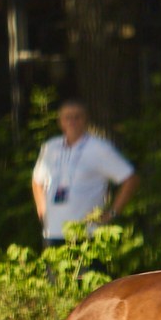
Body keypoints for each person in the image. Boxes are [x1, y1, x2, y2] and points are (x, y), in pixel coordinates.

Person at [30, 99, 136, 248]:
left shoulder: (99, 148)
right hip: (53, 232)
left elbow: (130, 178)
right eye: (67, 117)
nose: (72, 121)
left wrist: (112, 213)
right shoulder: (50, 147)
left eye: (77, 117)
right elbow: (37, 180)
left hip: (87, 233)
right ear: (60, 122)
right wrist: (42, 210)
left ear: (86, 120)